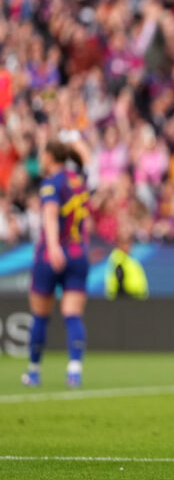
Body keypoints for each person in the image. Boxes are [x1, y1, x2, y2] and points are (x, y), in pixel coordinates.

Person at [21, 135, 92, 388]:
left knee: (40, 315)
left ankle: (34, 371)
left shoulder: (51, 183)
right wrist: (74, 138)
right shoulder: (79, 180)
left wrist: (52, 246)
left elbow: (50, 215)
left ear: (50, 157)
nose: (40, 159)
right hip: (79, 253)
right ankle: (74, 370)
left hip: (52, 254)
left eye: (42, 154)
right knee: (72, 315)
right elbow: (87, 159)